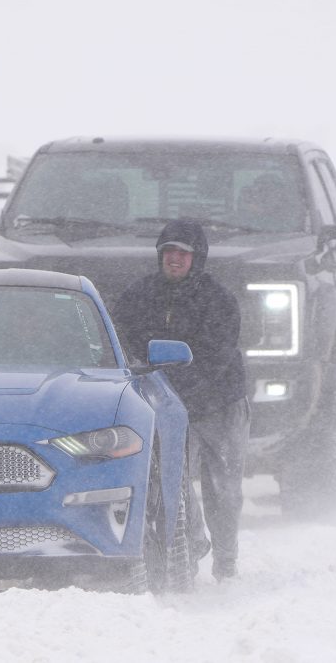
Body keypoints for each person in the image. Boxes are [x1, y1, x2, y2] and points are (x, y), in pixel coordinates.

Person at [111, 219, 250, 582]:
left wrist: (182, 388)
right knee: (173, 482)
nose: (174, 259)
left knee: (224, 489)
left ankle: (226, 561)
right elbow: (121, 338)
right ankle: (190, 546)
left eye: (183, 254)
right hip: (168, 408)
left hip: (220, 406)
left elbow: (217, 356)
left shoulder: (219, 300)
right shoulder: (138, 296)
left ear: (197, 258)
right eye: (168, 252)